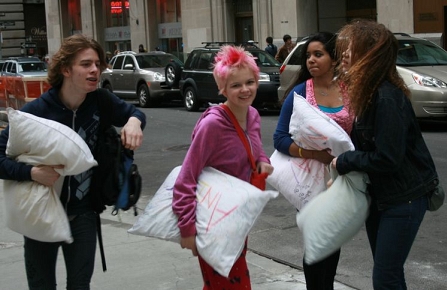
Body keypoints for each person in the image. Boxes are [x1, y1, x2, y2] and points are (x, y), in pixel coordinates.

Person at [0, 34, 146, 290]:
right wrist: (31, 172)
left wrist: (134, 121)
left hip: (84, 215)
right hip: (41, 214)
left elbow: (135, 113)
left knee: (80, 285)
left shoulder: (101, 101)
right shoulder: (36, 113)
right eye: (86, 64)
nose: (95, 70)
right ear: (66, 69)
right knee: (41, 285)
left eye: (98, 64)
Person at [331, 19, 439, 290]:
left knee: (385, 277)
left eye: (351, 48)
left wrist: (344, 161)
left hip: (404, 199)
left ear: (370, 55)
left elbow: (387, 158)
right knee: (388, 274)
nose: (344, 54)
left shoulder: (386, 97)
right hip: (381, 198)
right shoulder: (368, 94)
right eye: (343, 48)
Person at [172, 45, 274, 289]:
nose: (245, 89)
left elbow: (256, 149)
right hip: (212, 220)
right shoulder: (213, 126)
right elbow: (186, 179)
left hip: (238, 217)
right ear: (223, 88)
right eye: (236, 85)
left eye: (250, 82)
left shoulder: (253, 115)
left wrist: (263, 162)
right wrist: (187, 228)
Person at [273, 32, 353, 290]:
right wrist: (313, 154)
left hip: (341, 180)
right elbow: (280, 138)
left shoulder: (350, 91)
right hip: (309, 181)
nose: (311, 60)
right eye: (308, 55)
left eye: (318, 54)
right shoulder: (299, 93)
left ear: (334, 58)